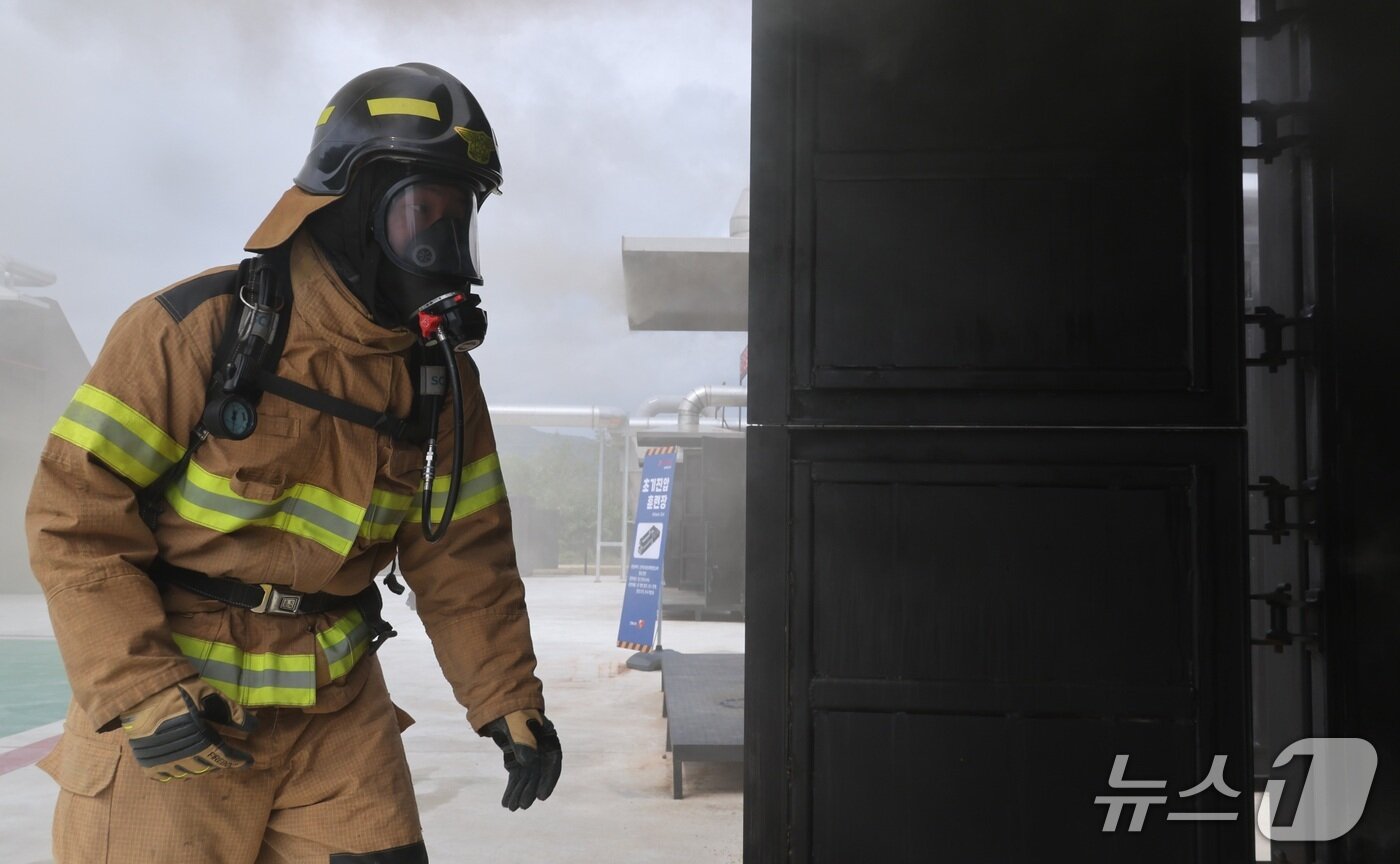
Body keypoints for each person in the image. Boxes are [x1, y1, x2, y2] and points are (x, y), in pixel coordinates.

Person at [25, 62, 561, 863]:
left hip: (334, 718)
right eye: (422, 214)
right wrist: (140, 688)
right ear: (350, 208)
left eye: (458, 218)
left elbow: (463, 557)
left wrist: (506, 697)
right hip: (177, 712)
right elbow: (74, 522)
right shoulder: (191, 332)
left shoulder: (438, 378)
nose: (440, 247)